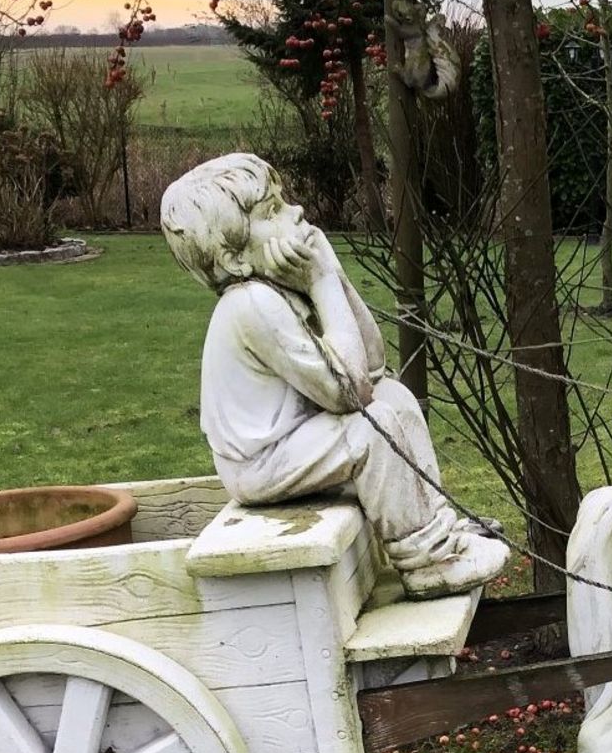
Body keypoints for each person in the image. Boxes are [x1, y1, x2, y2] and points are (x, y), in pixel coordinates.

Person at [161, 153, 509, 597]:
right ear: (235, 258)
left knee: (397, 399)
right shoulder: (252, 306)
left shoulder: (277, 290)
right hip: (261, 462)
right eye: (273, 212)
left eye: (284, 201)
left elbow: (373, 366)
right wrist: (321, 281)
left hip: (294, 438)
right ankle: (427, 562)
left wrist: (331, 273)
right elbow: (350, 393)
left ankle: (441, 530)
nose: (297, 213)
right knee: (373, 430)